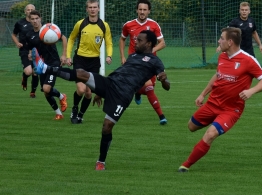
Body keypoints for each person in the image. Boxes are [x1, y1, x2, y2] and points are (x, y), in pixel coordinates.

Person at [32, 30, 170, 170]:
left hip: (122, 95)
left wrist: (164, 80)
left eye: (139, 40)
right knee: (82, 74)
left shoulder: (155, 61)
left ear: (149, 43)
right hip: (109, 83)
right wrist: (99, 92)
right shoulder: (133, 55)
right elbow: (121, 71)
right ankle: (45, 68)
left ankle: (101, 162)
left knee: (106, 127)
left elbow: (167, 86)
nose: (135, 42)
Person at [178, 27, 262, 172]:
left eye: (221, 38)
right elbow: (217, 75)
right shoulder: (222, 56)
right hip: (212, 104)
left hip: (231, 109)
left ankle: (186, 165)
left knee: (210, 134)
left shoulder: (248, 60)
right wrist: (203, 94)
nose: (219, 41)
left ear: (230, 42)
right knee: (191, 126)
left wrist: (251, 91)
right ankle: (215, 121)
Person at [119, 0, 168, 125]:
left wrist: (152, 50)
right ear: (136, 10)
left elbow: (162, 43)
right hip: (134, 62)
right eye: (140, 9)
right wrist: (123, 57)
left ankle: (138, 92)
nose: (142, 12)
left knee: (147, 87)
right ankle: (162, 117)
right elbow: (122, 39)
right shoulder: (128, 25)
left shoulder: (154, 25)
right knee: (148, 87)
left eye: (144, 10)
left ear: (149, 11)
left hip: (149, 62)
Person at [66, 0, 113, 124]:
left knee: (88, 93)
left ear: (98, 8)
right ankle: (75, 109)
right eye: (90, 7)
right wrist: (68, 55)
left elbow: (109, 42)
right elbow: (71, 39)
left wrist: (109, 55)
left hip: (94, 62)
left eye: (94, 7)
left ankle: (81, 115)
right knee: (81, 89)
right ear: (87, 9)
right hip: (80, 60)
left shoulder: (104, 26)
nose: (92, 9)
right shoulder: (80, 24)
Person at [26, 10, 68, 120]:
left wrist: (64, 55)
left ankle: (62, 97)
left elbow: (63, 38)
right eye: (32, 19)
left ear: (40, 18)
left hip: (54, 63)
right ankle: (59, 113)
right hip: (41, 65)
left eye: (37, 18)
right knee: (46, 92)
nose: (35, 21)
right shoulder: (30, 35)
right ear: (30, 20)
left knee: (46, 88)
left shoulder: (48, 29)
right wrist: (31, 56)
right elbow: (32, 50)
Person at [11, 4, 39, 98]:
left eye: (32, 9)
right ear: (25, 11)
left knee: (35, 72)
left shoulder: (37, 23)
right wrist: (17, 43)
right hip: (24, 50)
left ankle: (33, 92)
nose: (30, 11)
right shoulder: (20, 23)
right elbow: (14, 35)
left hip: (36, 50)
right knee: (28, 72)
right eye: (28, 10)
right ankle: (24, 77)